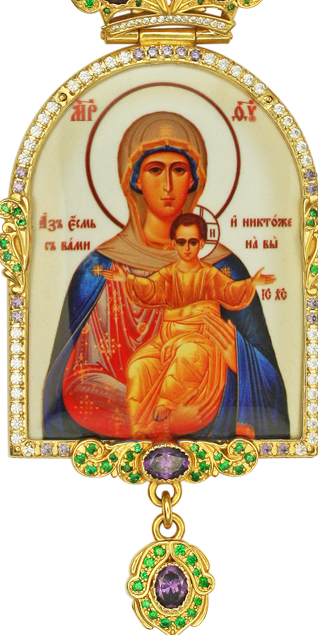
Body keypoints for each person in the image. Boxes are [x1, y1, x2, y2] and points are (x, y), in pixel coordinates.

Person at [42, 110, 290, 440]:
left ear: (194, 180)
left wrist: (241, 358)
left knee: (189, 356)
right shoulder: (100, 269)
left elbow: (272, 404)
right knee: (140, 365)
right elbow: (77, 386)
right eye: (155, 170)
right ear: (134, 179)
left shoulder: (222, 267)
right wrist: (168, 423)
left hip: (204, 402)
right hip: (140, 409)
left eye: (179, 170)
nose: (168, 185)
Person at [101, 213, 276, 439]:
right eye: (181, 242)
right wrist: (127, 279)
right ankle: (139, 430)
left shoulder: (209, 274)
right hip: (168, 336)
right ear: (174, 244)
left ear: (201, 244)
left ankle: (167, 402)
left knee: (188, 353)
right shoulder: (168, 274)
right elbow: (150, 288)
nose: (186, 248)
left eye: (192, 242)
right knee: (138, 365)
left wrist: (252, 282)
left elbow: (230, 291)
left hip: (200, 336)